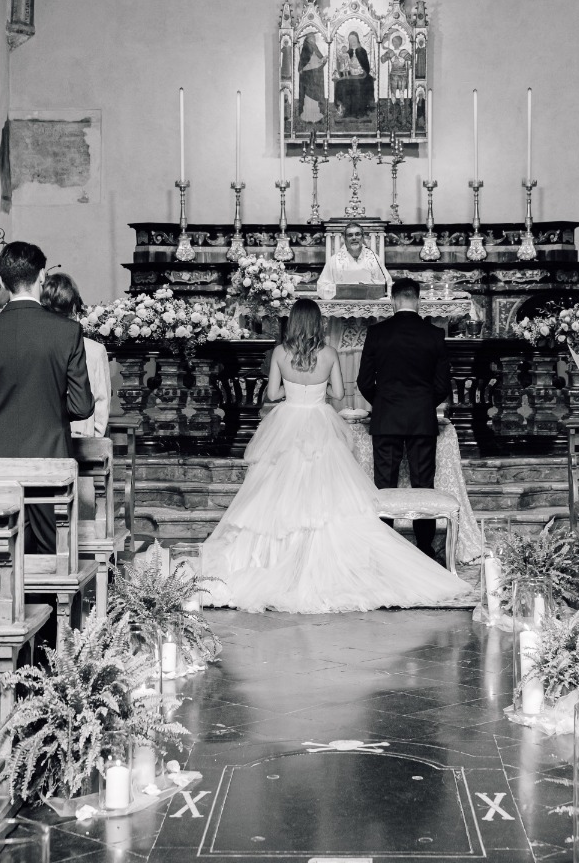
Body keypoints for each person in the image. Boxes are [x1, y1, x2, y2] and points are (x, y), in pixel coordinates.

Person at [199, 298, 470, 611]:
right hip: (319, 419)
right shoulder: (328, 354)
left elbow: (273, 394)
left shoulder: (280, 353)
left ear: (293, 322)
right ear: (317, 323)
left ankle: (272, 561)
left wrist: (295, 390)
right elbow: (340, 394)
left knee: (276, 492)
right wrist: (319, 391)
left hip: (287, 421)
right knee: (327, 495)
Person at [0, 241, 94, 552]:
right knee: (53, 550)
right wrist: (50, 407)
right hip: (49, 455)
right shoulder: (66, 331)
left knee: (1, 549)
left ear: (2, 282)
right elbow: (82, 406)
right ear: (42, 276)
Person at [357, 277, 453, 556]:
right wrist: (423, 404)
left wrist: (385, 403)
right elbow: (443, 385)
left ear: (393, 300)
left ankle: (384, 546)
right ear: (418, 299)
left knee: (383, 486)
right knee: (424, 485)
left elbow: (364, 381)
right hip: (421, 419)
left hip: (386, 419)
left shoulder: (377, 333)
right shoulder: (434, 334)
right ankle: (424, 548)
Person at [41, 270, 110, 436]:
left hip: (43, 437)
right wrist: (94, 439)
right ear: (73, 307)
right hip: (82, 436)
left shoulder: (34, 343)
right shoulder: (94, 350)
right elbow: (101, 404)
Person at [316, 221, 390, 300]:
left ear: (362, 237)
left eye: (357, 234)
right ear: (345, 239)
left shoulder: (374, 259)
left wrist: (367, 286)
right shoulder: (334, 261)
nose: (354, 238)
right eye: (350, 235)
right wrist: (343, 288)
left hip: (369, 306)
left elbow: (387, 284)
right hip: (342, 307)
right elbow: (321, 287)